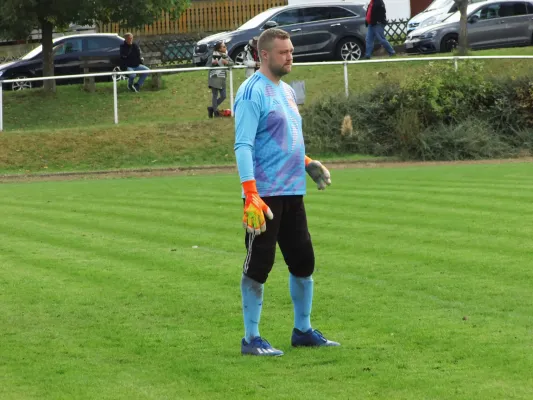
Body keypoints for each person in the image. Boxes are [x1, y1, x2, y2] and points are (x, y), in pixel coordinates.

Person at [234, 28, 340, 357]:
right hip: (263, 196)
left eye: (291, 50)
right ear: (264, 55)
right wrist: (250, 193)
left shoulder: (287, 91)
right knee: (259, 265)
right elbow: (243, 145)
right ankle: (251, 339)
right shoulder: (252, 92)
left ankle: (303, 330)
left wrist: (307, 163)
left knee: (303, 262)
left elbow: (282, 139)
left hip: (292, 191)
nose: (290, 56)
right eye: (283, 52)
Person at [207, 41, 234, 118]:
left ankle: (211, 108)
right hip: (214, 78)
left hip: (222, 78)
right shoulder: (212, 55)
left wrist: (227, 62)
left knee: (223, 96)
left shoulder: (225, 55)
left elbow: (232, 63)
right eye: (224, 47)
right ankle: (215, 112)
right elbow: (208, 65)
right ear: (219, 48)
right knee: (215, 95)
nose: (225, 48)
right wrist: (213, 63)